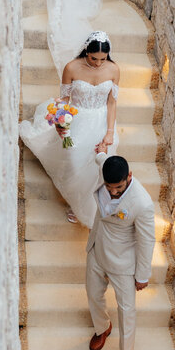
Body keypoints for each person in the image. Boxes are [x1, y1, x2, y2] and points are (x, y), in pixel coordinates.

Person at [20, 30, 120, 228]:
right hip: (77, 118)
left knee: (97, 164)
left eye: (103, 58)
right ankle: (76, 200)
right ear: (86, 52)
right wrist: (60, 121)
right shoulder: (72, 67)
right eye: (94, 58)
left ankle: (86, 205)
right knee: (74, 160)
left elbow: (112, 103)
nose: (98, 63)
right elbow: (64, 100)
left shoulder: (114, 69)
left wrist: (109, 131)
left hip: (101, 120)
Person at [86, 146, 156, 350]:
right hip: (97, 248)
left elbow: (147, 240)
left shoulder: (143, 203)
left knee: (127, 313)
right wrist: (100, 151)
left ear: (129, 177)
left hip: (124, 263)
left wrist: (142, 275)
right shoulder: (106, 170)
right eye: (109, 188)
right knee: (93, 295)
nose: (113, 192)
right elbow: (100, 157)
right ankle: (102, 328)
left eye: (118, 188)